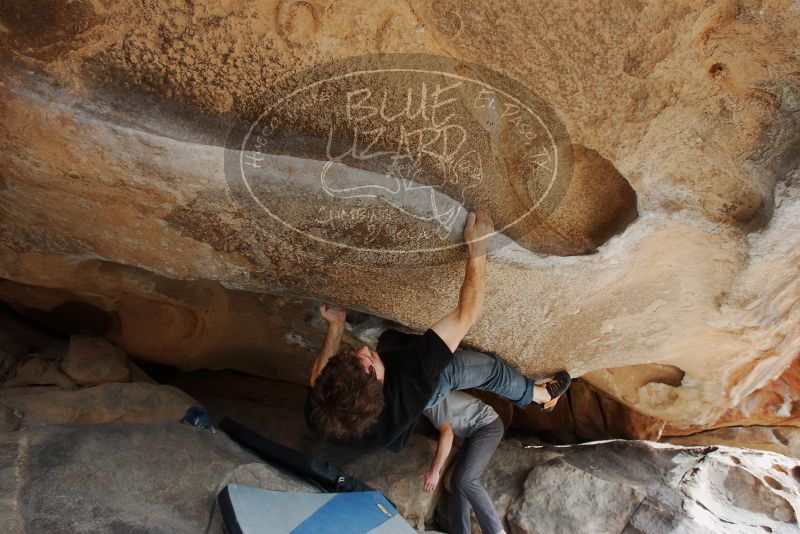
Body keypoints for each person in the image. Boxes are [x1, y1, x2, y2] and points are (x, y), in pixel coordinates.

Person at [305, 209, 571, 451]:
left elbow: (320, 374)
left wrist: (336, 325)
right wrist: (478, 250)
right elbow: (466, 315)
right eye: (366, 361)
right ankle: (540, 396)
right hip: (420, 392)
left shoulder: (323, 405)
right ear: (380, 383)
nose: (363, 349)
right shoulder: (413, 381)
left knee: (391, 340)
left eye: (352, 355)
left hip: (384, 409)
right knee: (482, 367)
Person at [421, 391, 505, 534]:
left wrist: (435, 472)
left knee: (467, 479)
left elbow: (447, 434)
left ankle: (496, 531)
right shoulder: (424, 399)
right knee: (457, 481)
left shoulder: (429, 399)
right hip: (475, 432)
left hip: (488, 426)